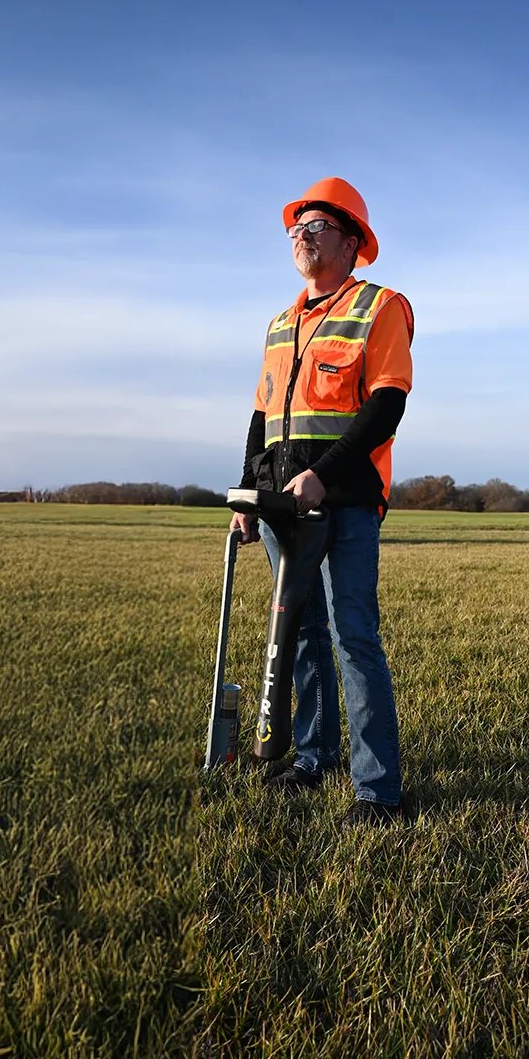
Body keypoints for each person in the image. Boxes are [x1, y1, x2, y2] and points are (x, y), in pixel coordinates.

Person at [231, 176, 412, 827]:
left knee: (353, 637)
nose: (301, 237)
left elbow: (386, 403)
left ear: (353, 241)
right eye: (295, 229)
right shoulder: (281, 323)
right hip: (281, 504)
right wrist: (250, 491)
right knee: (301, 635)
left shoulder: (380, 306)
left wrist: (323, 476)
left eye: (316, 227)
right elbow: (262, 415)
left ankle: (378, 791)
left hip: (347, 502)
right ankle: (314, 757)